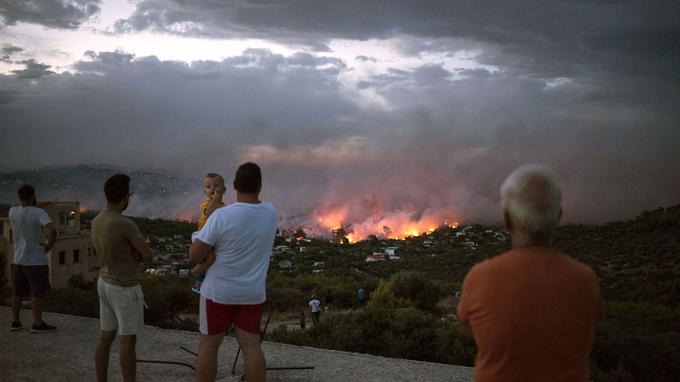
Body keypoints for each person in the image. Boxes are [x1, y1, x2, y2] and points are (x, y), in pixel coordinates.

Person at [456, 164, 604, 382]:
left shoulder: (481, 277)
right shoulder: (584, 279)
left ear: (506, 220)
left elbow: (468, 328)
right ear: (558, 217)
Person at [189, 162, 277, 382]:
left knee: (209, 346)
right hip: (251, 293)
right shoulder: (270, 212)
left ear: (235, 185)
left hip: (218, 293)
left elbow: (195, 255)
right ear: (260, 186)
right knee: (251, 346)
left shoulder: (221, 216)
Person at [92, 174, 153, 382]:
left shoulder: (96, 220)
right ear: (126, 197)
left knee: (105, 337)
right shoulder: (124, 223)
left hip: (104, 282)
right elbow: (148, 255)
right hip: (124, 288)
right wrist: (135, 254)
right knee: (127, 342)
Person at [8, 184, 57, 333]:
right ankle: (37, 323)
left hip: (18, 259)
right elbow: (52, 230)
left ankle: (15, 322)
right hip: (35, 260)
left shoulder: (12, 211)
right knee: (36, 293)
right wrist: (49, 245)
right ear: (33, 196)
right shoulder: (39, 212)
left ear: (19, 197)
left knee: (17, 293)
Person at [190, 173, 227, 293]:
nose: (212, 188)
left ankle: (199, 282)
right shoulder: (206, 203)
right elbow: (210, 212)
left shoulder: (224, 207)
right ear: (205, 191)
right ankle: (194, 273)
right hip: (201, 235)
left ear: (224, 189)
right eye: (208, 187)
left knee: (213, 260)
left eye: (216, 185)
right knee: (210, 258)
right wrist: (217, 197)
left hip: (212, 237)